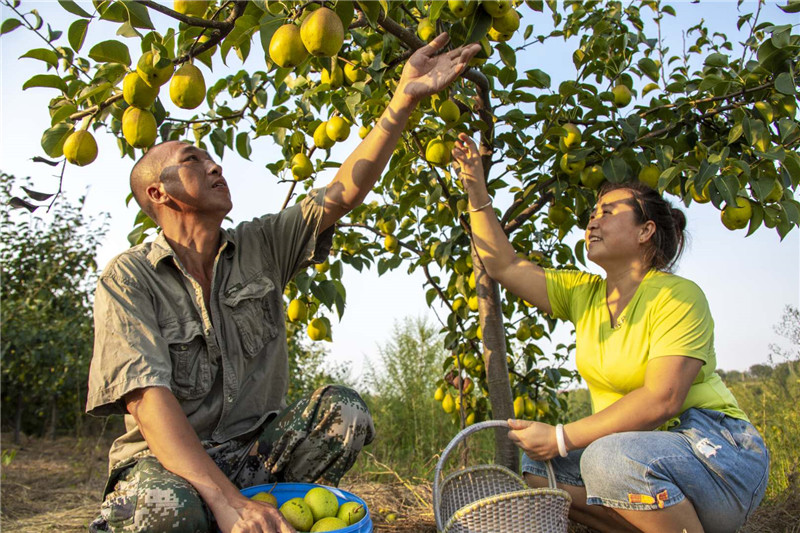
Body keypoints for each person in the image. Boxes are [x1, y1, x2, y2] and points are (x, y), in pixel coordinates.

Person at [86, 34, 480, 533]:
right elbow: (147, 401)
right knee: (166, 508)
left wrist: (404, 97)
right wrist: (227, 503)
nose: (214, 164)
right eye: (192, 159)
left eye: (211, 157)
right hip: (169, 464)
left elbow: (341, 193)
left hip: (254, 453)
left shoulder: (262, 245)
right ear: (157, 192)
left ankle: (256, 517)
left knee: (343, 412)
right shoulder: (130, 276)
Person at [451, 133, 769, 533]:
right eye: (593, 213)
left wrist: (563, 437)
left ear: (645, 231)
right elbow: (504, 265)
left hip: (716, 453)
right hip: (640, 455)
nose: (592, 220)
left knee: (607, 458)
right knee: (539, 468)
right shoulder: (584, 294)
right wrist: (476, 189)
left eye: (608, 212)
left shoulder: (677, 295)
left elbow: (663, 398)